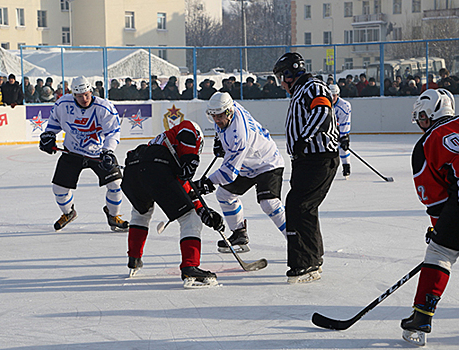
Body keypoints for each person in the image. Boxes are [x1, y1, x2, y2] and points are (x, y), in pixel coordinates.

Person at [400, 88, 459, 346]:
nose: (421, 124)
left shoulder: (426, 143)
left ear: (430, 114)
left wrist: (440, 230)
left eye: (422, 118)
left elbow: (435, 200)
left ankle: (422, 317)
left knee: (440, 254)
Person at [121, 120, 224, 288]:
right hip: (154, 169)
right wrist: (191, 158)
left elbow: (184, 190)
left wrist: (204, 212)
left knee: (141, 213)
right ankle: (190, 266)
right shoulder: (192, 131)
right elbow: (187, 128)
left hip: (133, 171)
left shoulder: (162, 146)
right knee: (190, 219)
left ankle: (134, 259)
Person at [273, 52, 339, 284]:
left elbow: (323, 112)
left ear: (290, 74)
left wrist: (303, 139)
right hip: (308, 160)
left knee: (298, 205)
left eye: (282, 77)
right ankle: (312, 258)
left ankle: (305, 263)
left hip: (318, 158)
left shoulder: (312, 86)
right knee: (303, 207)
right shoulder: (301, 90)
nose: (281, 83)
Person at [194, 92, 287, 254]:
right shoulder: (229, 109)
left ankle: (296, 240)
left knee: (269, 203)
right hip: (247, 163)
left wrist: (207, 184)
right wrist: (219, 141)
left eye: (220, 116)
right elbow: (222, 126)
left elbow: (228, 174)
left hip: (266, 162)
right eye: (213, 116)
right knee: (224, 195)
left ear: (229, 112)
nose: (216, 120)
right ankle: (239, 234)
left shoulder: (238, 136)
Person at [38, 76, 129, 232]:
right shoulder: (63, 104)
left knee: (115, 184)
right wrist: (49, 137)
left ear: (91, 91)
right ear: (73, 95)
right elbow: (53, 123)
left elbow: (113, 132)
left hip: (98, 153)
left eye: (86, 94)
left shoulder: (104, 107)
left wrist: (108, 152)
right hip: (72, 152)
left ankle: (113, 216)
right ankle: (69, 212)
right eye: (79, 96)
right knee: (59, 189)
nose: (84, 98)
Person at [329, 84, 351, 177]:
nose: (332, 98)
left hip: (340, 128)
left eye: (334, 95)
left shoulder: (344, 106)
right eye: (330, 95)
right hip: (328, 129)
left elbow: (345, 122)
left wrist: (343, 136)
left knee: (343, 148)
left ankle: (346, 166)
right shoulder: (323, 104)